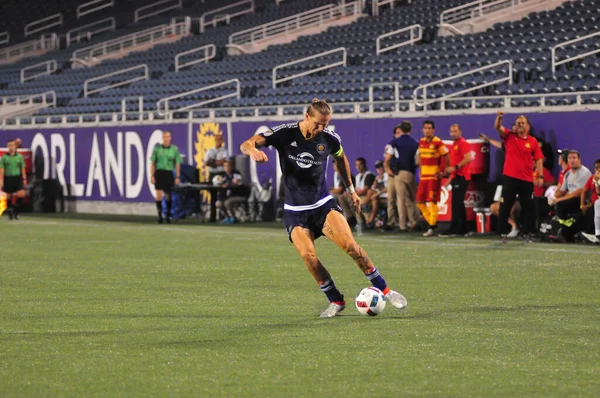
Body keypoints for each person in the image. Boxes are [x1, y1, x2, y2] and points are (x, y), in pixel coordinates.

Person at [239, 98, 407, 318]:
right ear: (307, 116)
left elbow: (341, 160)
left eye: (325, 125)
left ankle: (385, 290)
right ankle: (336, 301)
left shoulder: (329, 139)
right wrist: (252, 151)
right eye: (318, 124)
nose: (321, 129)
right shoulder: (285, 133)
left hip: (322, 205)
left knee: (351, 247)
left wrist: (351, 190)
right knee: (309, 257)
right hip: (295, 211)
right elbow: (247, 143)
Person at [493, 111, 543, 243]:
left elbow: (538, 159)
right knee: (505, 206)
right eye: (518, 123)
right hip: (510, 177)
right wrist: (499, 117)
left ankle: (528, 233)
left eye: (523, 123)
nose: (520, 125)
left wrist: (540, 175)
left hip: (526, 179)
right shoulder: (509, 136)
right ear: (514, 126)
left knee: (528, 207)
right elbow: (498, 127)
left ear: (528, 126)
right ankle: (503, 234)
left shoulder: (533, 142)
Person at [416, 120, 450, 237]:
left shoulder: (438, 142)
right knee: (419, 202)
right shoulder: (421, 142)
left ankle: (431, 226)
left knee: (432, 201)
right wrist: (420, 170)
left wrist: (442, 171)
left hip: (433, 176)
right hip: (424, 176)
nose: (427, 130)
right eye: (425, 128)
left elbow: (446, 156)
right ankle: (433, 224)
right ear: (422, 130)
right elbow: (420, 157)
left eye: (429, 128)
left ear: (433, 130)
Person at [550, 150, 592, 242]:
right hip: (571, 199)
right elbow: (561, 191)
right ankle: (559, 229)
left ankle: (565, 229)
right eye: (570, 158)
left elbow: (579, 192)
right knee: (548, 203)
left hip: (582, 201)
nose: (572, 160)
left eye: (574, 158)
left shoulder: (584, 172)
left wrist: (560, 199)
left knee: (561, 204)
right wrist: (554, 196)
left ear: (579, 159)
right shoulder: (567, 174)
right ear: (567, 160)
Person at [384, 121, 419, 232]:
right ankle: (415, 221)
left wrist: (388, 169)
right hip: (411, 172)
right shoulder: (415, 143)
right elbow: (418, 161)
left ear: (401, 130)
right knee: (412, 199)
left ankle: (402, 224)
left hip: (399, 173)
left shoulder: (394, 143)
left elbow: (387, 159)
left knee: (400, 199)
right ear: (410, 130)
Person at [440, 124, 473, 237]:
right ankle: (462, 229)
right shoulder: (455, 144)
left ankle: (454, 228)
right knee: (458, 203)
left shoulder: (463, 143)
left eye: (455, 131)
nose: (453, 133)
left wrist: (455, 168)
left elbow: (469, 158)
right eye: (451, 131)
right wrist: (450, 178)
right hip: (457, 177)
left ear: (460, 131)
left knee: (456, 203)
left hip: (462, 177)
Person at [150, 131, 181, 224]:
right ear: (162, 138)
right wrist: (152, 175)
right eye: (165, 137)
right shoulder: (157, 149)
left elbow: (177, 163)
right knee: (159, 194)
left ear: (170, 138)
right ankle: (160, 215)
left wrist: (177, 176)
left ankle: (168, 215)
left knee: (168, 194)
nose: (167, 138)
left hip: (168, 172)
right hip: (159, 172)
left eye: (168, 137)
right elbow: (153, 163)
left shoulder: (174, 149)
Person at [212, 159, 247, 224]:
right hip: (229, 196)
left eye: (228, 166)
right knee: (218, 203)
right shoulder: (224, 176)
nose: (227, 168)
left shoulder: (236, 174)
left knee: (227, 202)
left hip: (239, 195)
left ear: (231, 166)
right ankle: (227, 217)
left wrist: (228, 185)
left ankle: (234, 218)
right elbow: (221, 185)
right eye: (225, 166)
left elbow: (236, 184)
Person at [0, 139, 27, 220]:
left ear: (15, 147)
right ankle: (10, 211)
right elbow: (2, 169)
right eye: (9, 146)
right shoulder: (4, 157)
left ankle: (16, 210)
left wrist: (24, 178)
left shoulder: (19, 157)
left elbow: (22, 168)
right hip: (8, 178)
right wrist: (1, 180)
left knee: (21, 194)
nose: (11, 148)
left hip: (17, 177)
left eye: (12, 146)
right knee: (8, 196)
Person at [205, 133, 228, 222]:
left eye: (220, 139)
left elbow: (225, 162)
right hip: (212, 174)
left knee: (222, 196)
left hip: (221, 174)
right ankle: (212, 217)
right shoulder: (210, 151)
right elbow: (207, 163)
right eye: (217, 139)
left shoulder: (224, 151)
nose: (218, 141)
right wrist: (219, 162)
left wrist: (214, 162)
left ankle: (222, 216)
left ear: (222, 141)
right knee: (213, 196)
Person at [581, 159, 600, 244]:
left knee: (596, 204)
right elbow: (584, 191)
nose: (598, 170)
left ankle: (596, 234)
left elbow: (599, 193)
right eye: (597, 168)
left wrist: (597, 182)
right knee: (594, 205)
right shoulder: (592, 177)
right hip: (593, 203)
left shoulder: (596, 178)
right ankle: (596, 234)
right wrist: (582, 204)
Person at [354, 157, 375, 228]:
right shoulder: (357, 176)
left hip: (368, 196)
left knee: (360, 203)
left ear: (364, 165)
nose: (358, 167)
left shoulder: (369, 175)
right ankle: (360, 222)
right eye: (356, 165)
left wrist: (354, 194)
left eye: (360, 165)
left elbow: (366, 190)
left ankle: (368, 222)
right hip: (360, 196)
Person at [366, 160, 388, 228]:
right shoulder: (378, 177)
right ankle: (370, 221)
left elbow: (387, 188)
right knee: (372, 196)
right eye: (377, 168)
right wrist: (376, 180)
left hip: (388, 197)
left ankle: (364, 205)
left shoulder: (387, 175)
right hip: (379, 197)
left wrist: (377, 194)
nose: (379, 169)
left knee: (374, 198)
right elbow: (373, 188)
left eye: (380, 167)